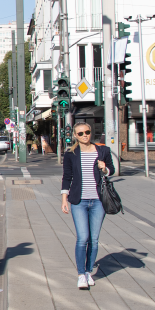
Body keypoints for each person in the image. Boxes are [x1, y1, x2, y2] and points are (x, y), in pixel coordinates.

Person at [60, 123, 116, 290]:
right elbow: (67, 177)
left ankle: (88, 272)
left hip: (99, 200)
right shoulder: (71, 154)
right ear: (75, 136)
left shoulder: (103, 151)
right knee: (83, 238)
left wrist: (104, 168)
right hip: (79, 201)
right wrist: (64, 199)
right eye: (81, 133)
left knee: (94, 239)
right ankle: (80, 274)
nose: (85, 135)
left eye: (87, 132)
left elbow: (112, 170)